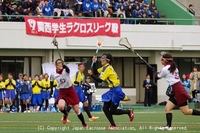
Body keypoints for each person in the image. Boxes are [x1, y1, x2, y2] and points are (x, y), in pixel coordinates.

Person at [88, 53, 134, 130]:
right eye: (101, 58)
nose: (101, 60)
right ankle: (113, 125)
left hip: (116, 90)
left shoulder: (108, 69)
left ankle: (128, 112)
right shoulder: (104, 68)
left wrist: (91, 75)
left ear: (107, 60)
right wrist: (95, 62)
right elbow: (96, 72)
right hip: (112, 90)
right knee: (105, 108)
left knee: (112, 111)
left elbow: (99, 80)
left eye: (103, 58)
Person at [156, 52, 200, 131]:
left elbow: (157, 76)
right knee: (174, 109)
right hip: (177, 89)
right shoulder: (174, 67)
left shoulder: (166, 68)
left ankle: (168, 126)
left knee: (179, 110)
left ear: (164, 60)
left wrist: (155, 72)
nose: (160, 60)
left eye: (161, 58)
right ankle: (168, 126)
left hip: (178, 90)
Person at [50, 59, 88, 128]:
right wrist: (51, 91)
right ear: (55, 65)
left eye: (61, 63)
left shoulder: (65, 71)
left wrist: (65, 67)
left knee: (77, 110)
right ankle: (66, 113)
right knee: (61, 107)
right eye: (58, 63)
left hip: (70, 90)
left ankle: (84, 123)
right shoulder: (53, 74)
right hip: (62, 91)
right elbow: (51, 82)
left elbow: (67, 70)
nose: (60, 64)